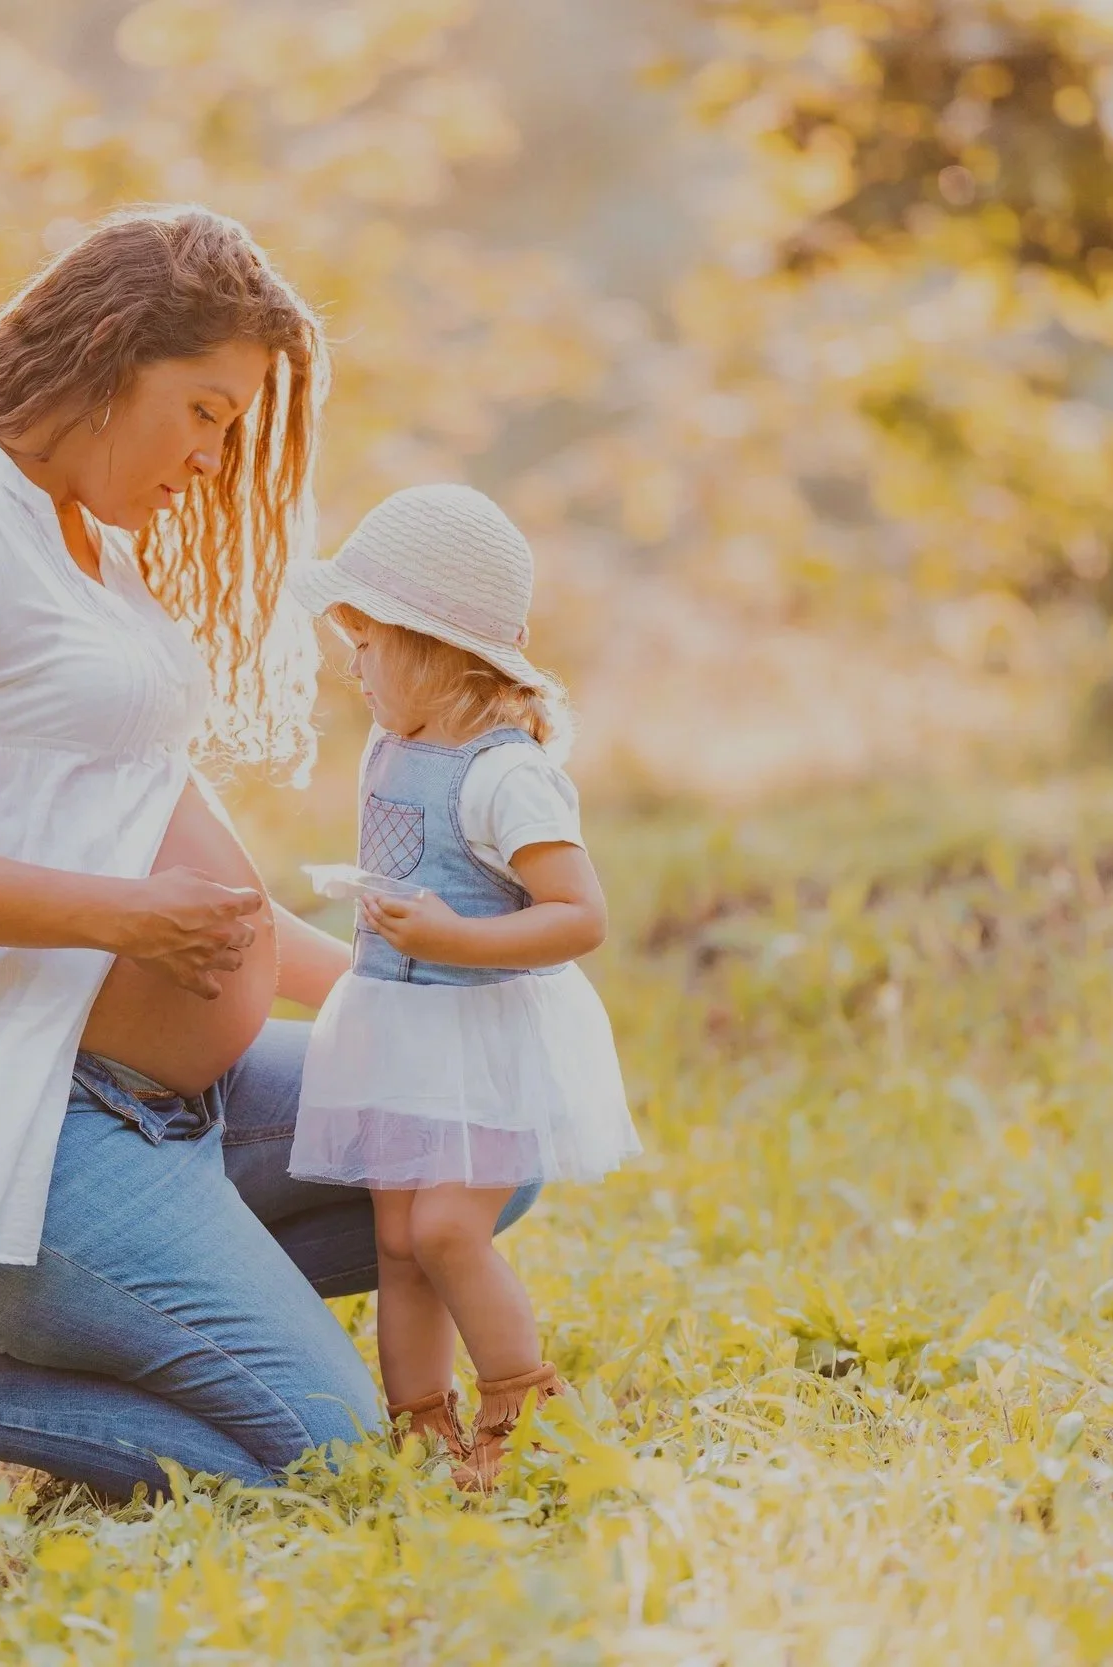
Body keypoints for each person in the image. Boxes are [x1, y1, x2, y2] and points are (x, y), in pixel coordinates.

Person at [0, 206, 535, 1529]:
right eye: (206, 410)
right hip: (35, 1126)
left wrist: (407, 993)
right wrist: (128, 921)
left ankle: (116, 1348)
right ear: (112, 356)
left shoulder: (87, 540)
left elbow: (159, 852)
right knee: (333, 1464)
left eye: (234, 426)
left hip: (189, 1106)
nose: (217, 456)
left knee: (472, 1124)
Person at [283, 485, 638, 1491]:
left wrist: (449, 932)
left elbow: (578, 915)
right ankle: (418, 1421)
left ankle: (521, 1397)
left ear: (438, 650)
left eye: (368, 642)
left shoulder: (503, 776)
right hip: (400, 1023)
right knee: (398, 1239)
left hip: (482, 1031)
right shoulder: (393, 745)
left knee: (445, 1226)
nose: (350, 663)